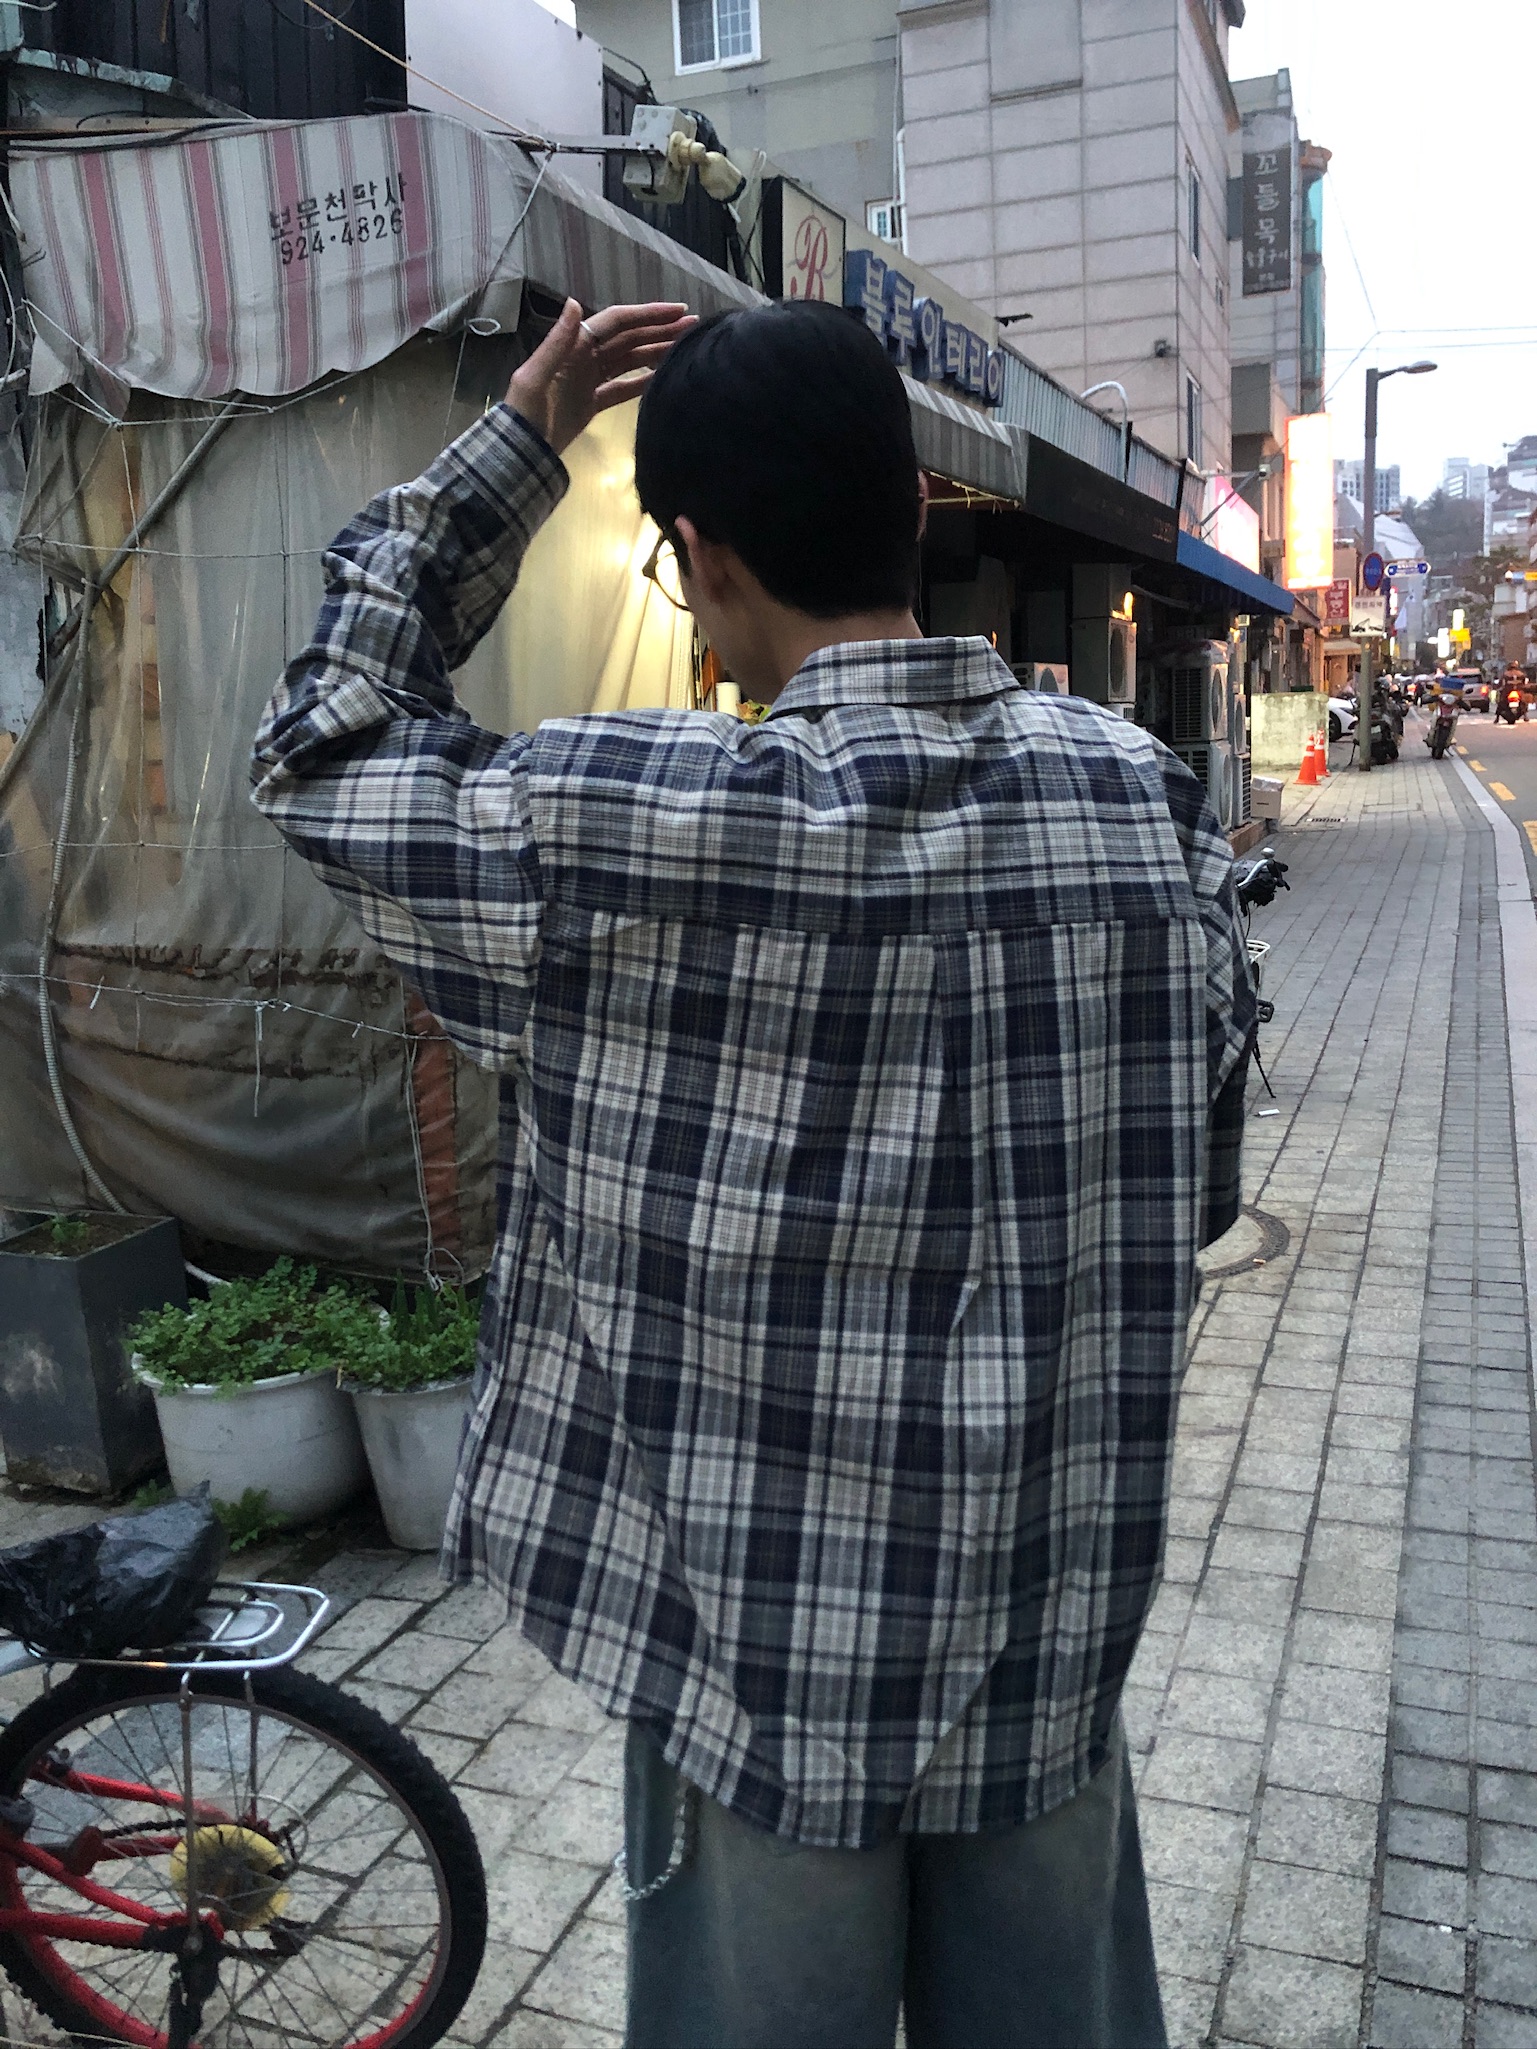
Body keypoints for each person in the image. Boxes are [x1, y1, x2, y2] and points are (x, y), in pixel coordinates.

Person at [251, 296, 1254, 2049]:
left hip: (758, 1653)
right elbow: (1205, 1180)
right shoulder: (1144, 799)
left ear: (702, 558)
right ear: (910, 504)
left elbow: (323, 740)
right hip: (1045, 1633)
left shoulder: (617, 823)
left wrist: (514, 449)